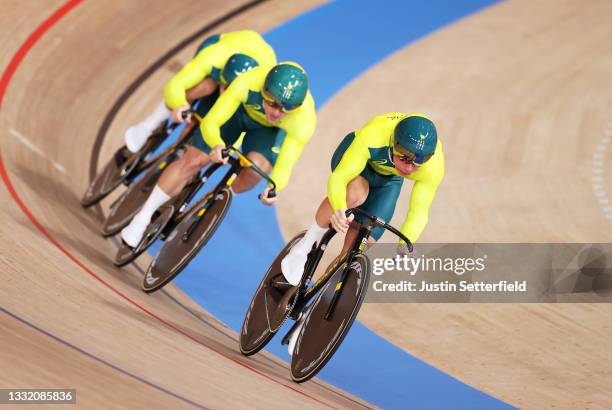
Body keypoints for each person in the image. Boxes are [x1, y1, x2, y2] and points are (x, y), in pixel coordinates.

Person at [121, 62, 317, 248]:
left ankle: (212, 200)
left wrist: (274, 188)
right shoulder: (247, 82)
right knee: (196, 159)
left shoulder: (304, 119)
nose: (277, 113)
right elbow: (211, 122)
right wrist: (216, 145)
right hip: (237, 113)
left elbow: (285, 164)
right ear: (264, 90)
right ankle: (142, 217)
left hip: (265, 132)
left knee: (257, 171)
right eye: (272, 104)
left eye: (286, 109)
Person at [280, 113, 445, 286]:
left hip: (388, 181)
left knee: (362, 243)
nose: (410, 167)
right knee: (354, 195)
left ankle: (322, 293)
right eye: (404, 157)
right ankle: (303, 248)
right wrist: (339, 208)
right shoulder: (374, 135)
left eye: (419, 160)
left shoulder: (433, 166)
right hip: (356, 162)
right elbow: (339, 178)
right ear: (394, 144)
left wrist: (405, 244)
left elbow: (418, 212)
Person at [121, 30, 276, 154]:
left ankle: (182, 148)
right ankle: (149, 125)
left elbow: (244, 120)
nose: (226, 93)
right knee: (204, 87)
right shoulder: (213, 57)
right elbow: (175, 85)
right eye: (225, 87)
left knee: (225, 112)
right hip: (220, 46)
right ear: (222, 76)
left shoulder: (258, 86)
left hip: (254, 63)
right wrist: (180, 104)